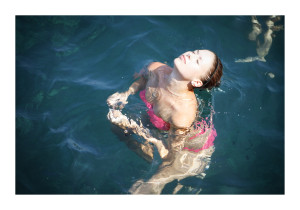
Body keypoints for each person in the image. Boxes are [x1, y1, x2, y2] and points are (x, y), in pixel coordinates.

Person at [107, 49, 223, 194]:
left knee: (147, 187)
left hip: (190, 147)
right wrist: (126, 94)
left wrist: (135, 128)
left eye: (197, 60)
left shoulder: (182, 111)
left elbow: (170, 154)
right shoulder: (156, 68)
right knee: (116, 128)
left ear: (197, 82)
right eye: (194, 52)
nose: (190, 55)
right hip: (159, 125)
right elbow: (143, 79)